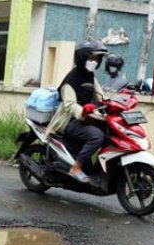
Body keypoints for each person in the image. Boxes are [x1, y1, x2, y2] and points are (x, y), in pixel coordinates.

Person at [46, 39, 108, 183]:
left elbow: (100, 96)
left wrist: (112, 103)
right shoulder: (71, 79)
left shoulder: (90, 76)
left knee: (109, 132)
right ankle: (76, 168)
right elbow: (70, 105)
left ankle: (94, 168)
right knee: (97, 136)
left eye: (97, 58)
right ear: (82, 57)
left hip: (87, 118)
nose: (95, 61)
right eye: (92, 57)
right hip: (70, 121)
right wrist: (84, 111)